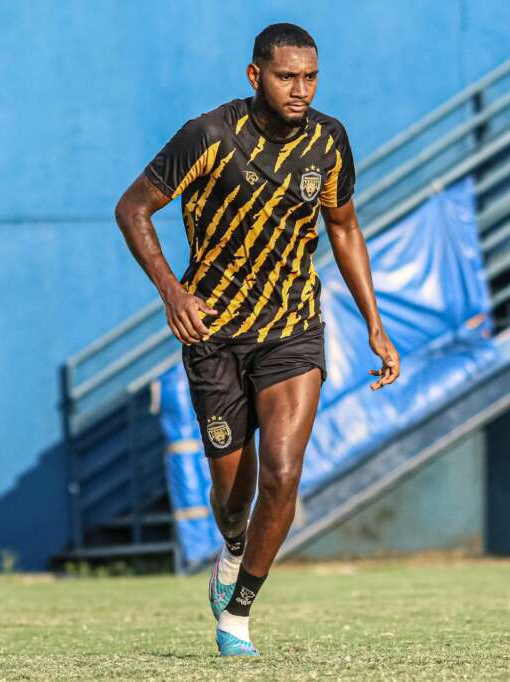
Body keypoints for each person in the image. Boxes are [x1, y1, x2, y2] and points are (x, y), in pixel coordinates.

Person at [114, 22, 400, 657]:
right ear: (255, 76)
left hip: (292, 330)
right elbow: (133, 208)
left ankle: (239, 613)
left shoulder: (330, 141)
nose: (300, 89)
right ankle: (233, 544)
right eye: (286, 77)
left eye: (310, 77)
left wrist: (376, 324)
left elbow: (345, 227)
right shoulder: (208, 136)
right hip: (213, 335)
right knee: (232, 494)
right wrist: (173, 293)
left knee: (284, 472)